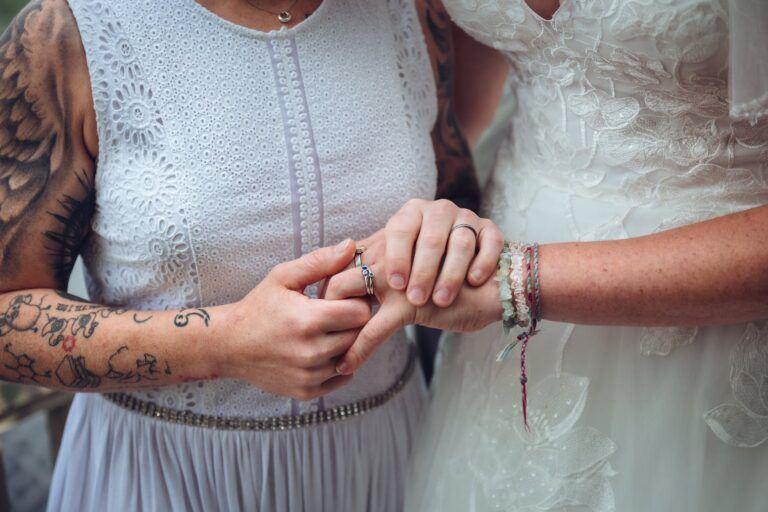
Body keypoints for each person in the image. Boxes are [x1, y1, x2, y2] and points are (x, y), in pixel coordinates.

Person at [0, 0, 501, 510]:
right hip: (168, 474)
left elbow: (454, 195)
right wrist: (225, 343)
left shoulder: (409, 12)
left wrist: (448, 234)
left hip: (388, 463)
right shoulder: (67, 34)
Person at [326, 1, 768, 511]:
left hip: (715, 332)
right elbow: (458, 104)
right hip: (496, 337)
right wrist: (432, 239)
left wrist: (516, 281)